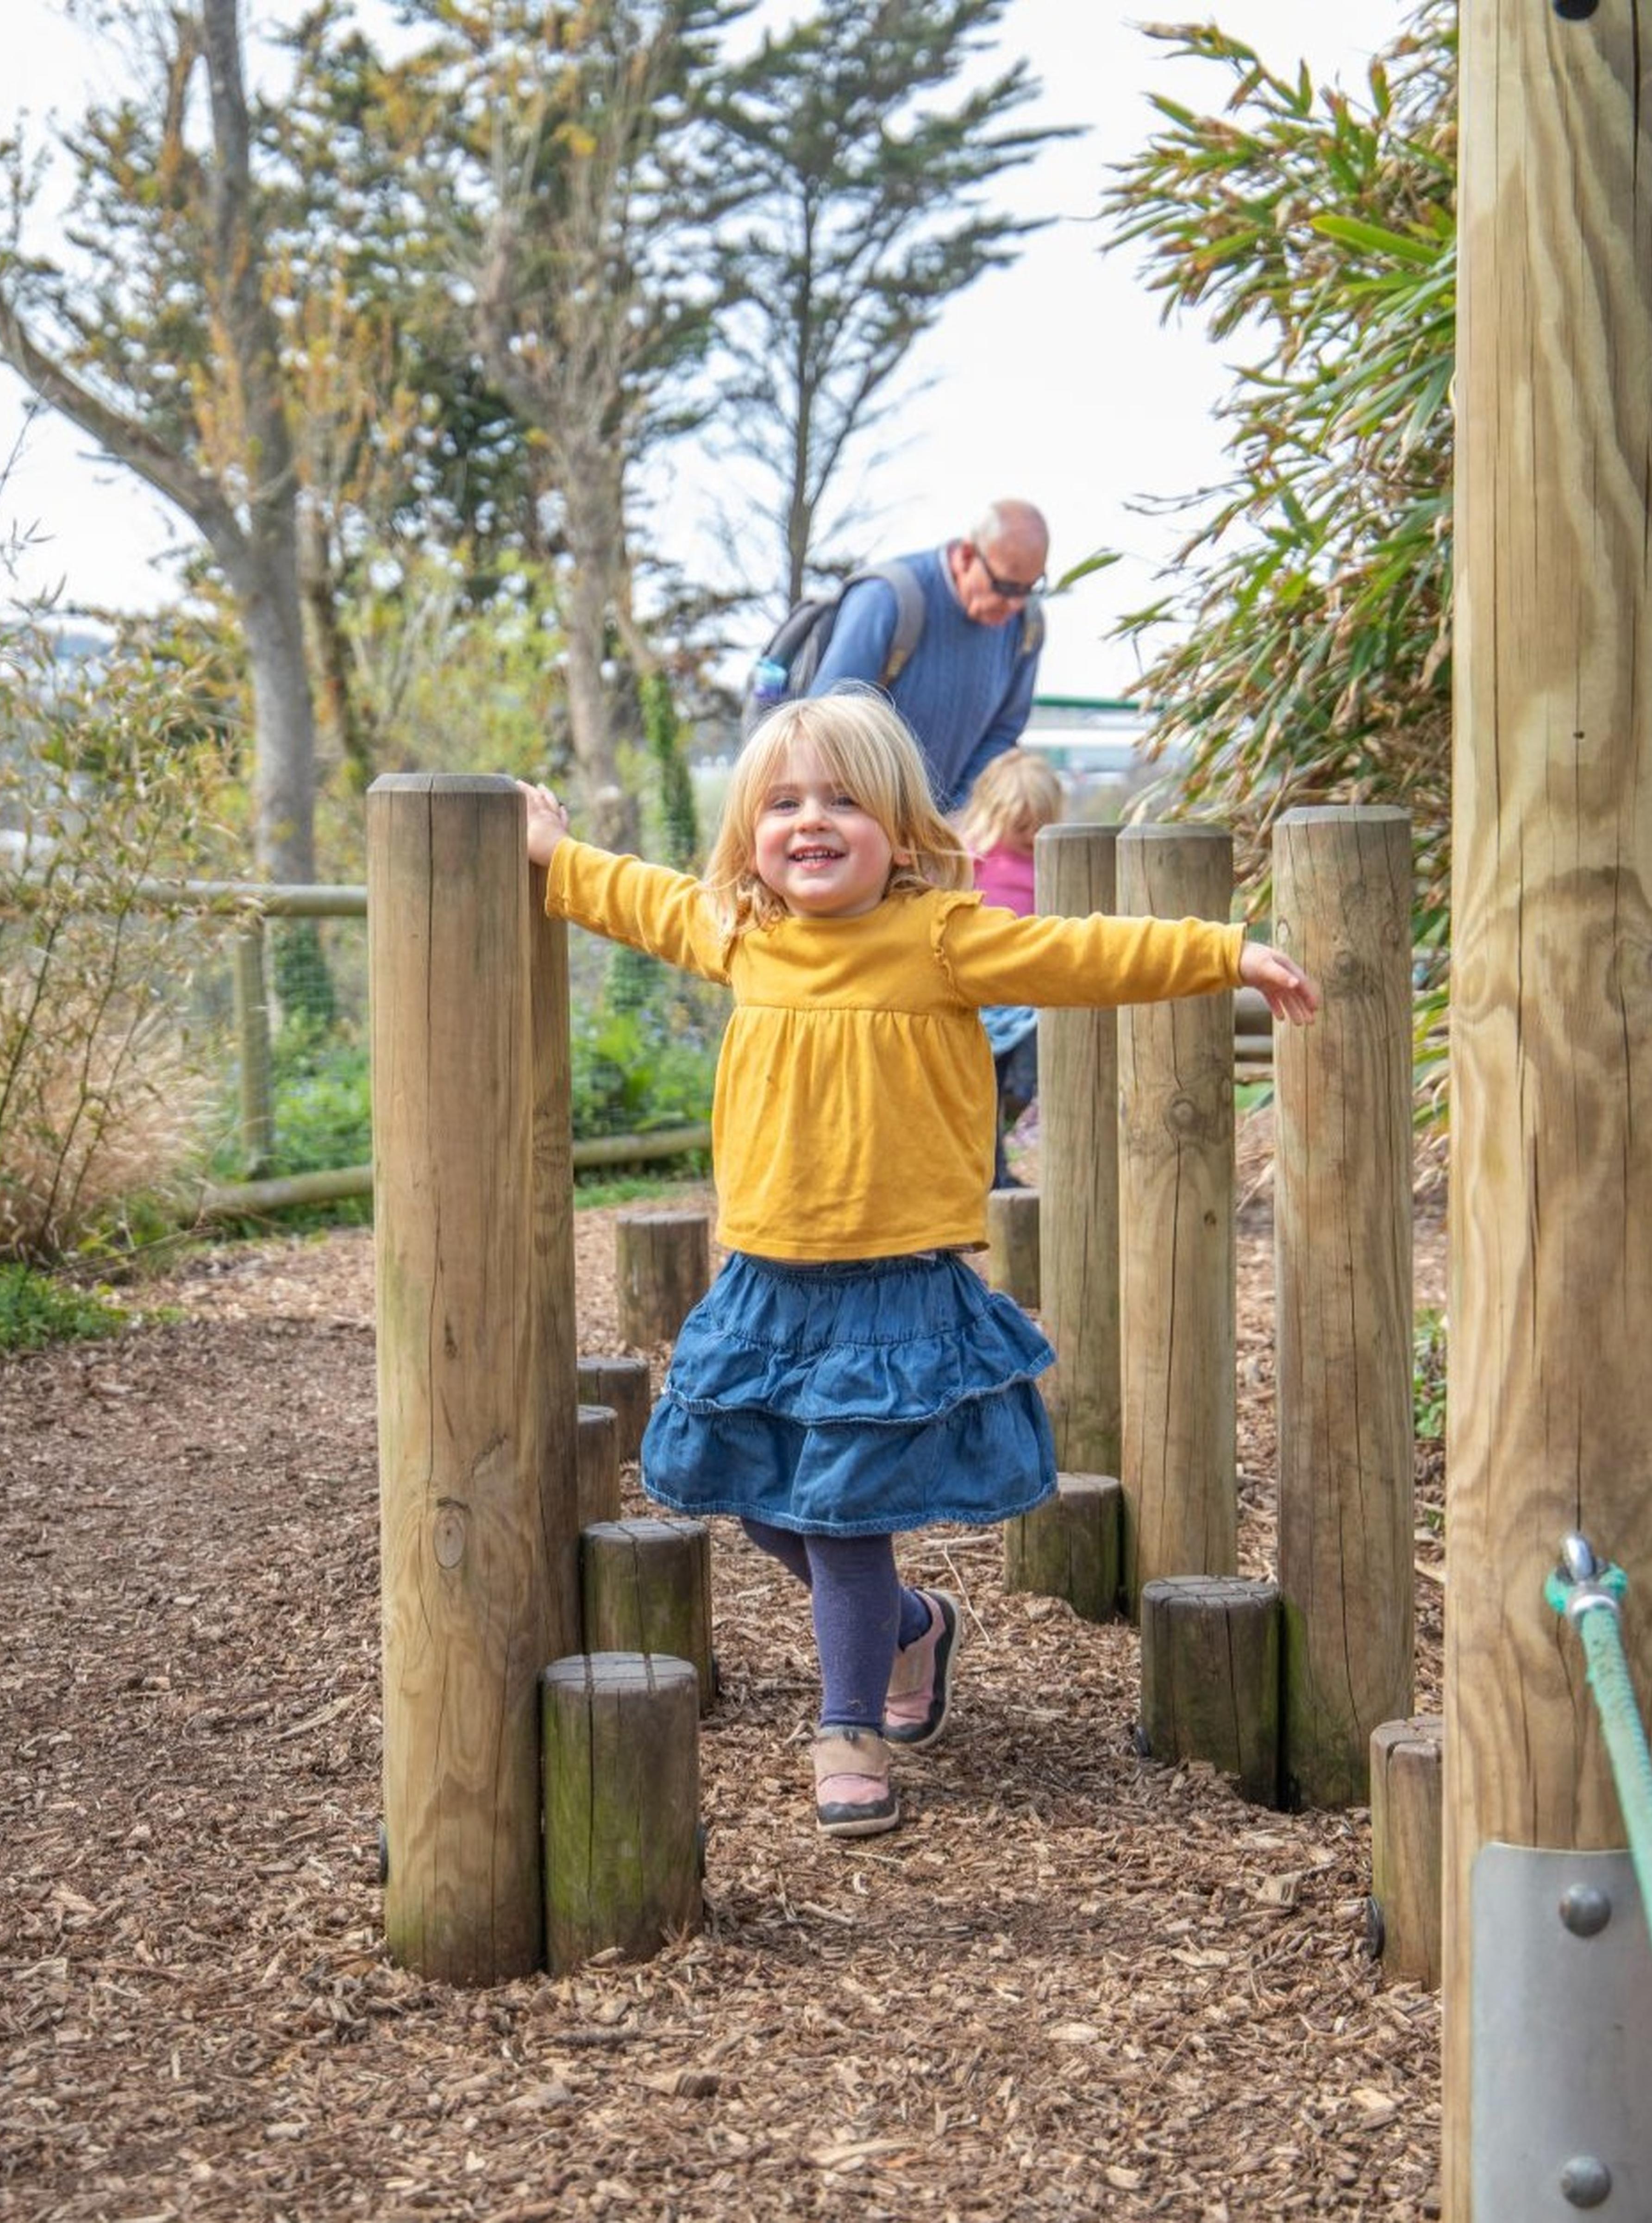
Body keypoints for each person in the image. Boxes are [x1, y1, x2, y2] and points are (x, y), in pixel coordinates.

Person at [516, 689, 1319, 1843]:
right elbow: (633, 897)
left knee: (840, 1514)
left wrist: (1224, 951)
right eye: (783, 802)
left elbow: (1082, 953)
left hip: (890, 1286)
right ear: (748, 833)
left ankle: (845, 1725)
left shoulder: (939, 936)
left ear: (899, 829)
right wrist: (553, 850)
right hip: (770, 1281)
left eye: (843, 800)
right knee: (753, 1495)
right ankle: (905, 1627)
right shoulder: (740, 932)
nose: (811, 820)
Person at [808, 498, 1049, 812]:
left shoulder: (1026, 628)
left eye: (1029, 588)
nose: (1016, 604)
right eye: (1005, 587)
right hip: (861, 823)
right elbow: (824, 726)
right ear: (966, 556)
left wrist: (955, 818)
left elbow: (1003, 732)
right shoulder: (885, 599)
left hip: (944, 834)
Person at [957, 747, 1067, 1189]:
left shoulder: (1052, 864)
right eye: (1020, 824)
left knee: (1019, 1088)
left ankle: (999, 1160)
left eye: (1039, 822)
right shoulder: (973, 860)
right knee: (983, 1093)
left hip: (1029, 1002)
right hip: (983, 1003)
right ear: (993, 813)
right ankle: (991, 1176)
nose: (1030, 833)